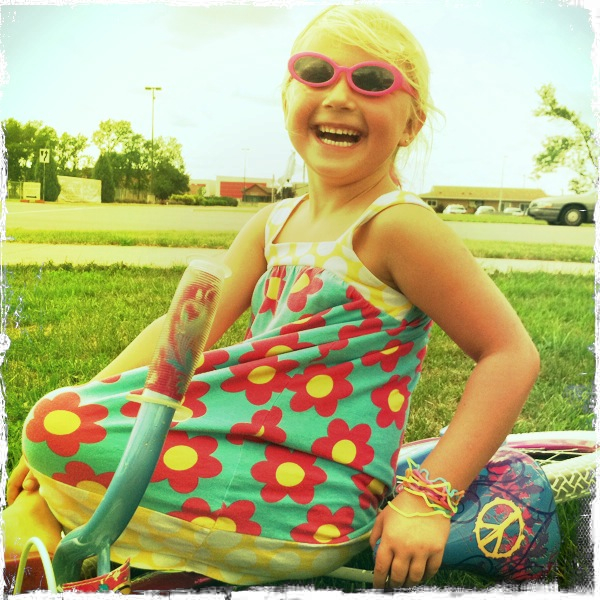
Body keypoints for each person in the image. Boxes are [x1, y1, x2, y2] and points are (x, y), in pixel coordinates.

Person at [4, 4, 539, 590]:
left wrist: (428, 499)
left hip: (316, 495)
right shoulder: (272, 224)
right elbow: (181, 333)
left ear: (411, 124)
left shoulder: (397, 225)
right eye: (316, 72)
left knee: (52, 427)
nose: (339, 95)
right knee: (56, 420)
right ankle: (82, 520)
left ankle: (51, 519)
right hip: (245, 447)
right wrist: (86, 399)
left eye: (372, 80)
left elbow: (510, 354)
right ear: (288, 97)